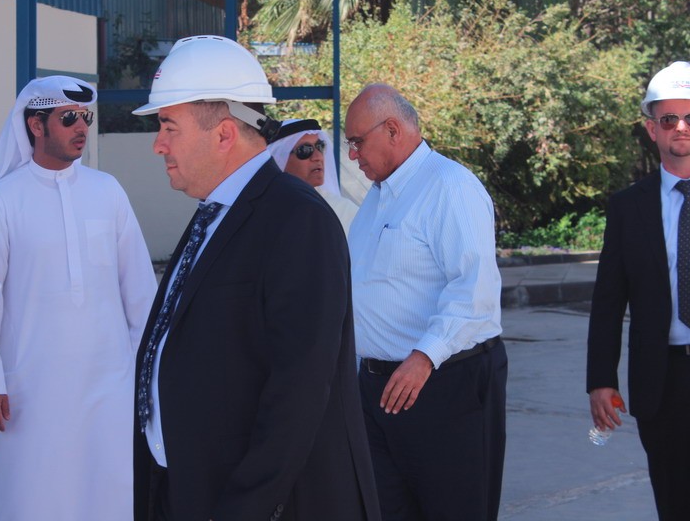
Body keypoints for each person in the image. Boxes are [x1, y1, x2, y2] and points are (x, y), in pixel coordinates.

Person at [130, 35, 381, 521]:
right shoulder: (216, 213)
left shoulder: (297, 220)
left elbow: (298, 393)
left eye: (169, 126)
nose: (159, 144)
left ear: (224, 134)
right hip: (188, 489)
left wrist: (243, 508)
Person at [0, 75, 157, 521]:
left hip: (108, 381)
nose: (81, 127)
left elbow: (140, 290)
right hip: (30, 385)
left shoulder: (107, 190)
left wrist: (146, 370)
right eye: (69, 117)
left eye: (86, 117)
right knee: (33, 494)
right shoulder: (2, 199)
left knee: (108, 489)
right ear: (36, 125)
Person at [345, 83, 507, 521]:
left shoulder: (450, 186)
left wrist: (423, 357)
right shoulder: (378, 196)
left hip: (441, 383)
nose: (352, 156)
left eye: (357, 142)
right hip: (379, 389)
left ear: (392, 130)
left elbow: (473, 288)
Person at [588, 61, 690, 521]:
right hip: (661, 382)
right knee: (674, 501)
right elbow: (608, 302)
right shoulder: (628, 207)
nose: (681, 127)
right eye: (669, 119)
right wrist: (600, 380)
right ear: (652, 129)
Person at [268, 118, 359, 233]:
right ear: (280, 159)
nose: (318, 157)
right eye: (305, 150)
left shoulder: (344, 211)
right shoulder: (265, 211)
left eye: (320, 147)